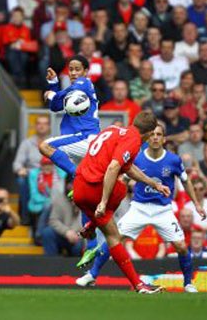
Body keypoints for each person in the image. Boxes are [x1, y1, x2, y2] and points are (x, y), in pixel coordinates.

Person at [76, 124, 206, 293]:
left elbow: (186, 180)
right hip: (139, 207)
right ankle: (92, 274)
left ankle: (188, 283)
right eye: (152, 134)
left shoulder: (173, 160)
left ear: (164, 139)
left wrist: (196, 204)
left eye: (159, 134)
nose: (155, 137)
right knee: (114, 239)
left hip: (163, 209)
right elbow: (121, 175)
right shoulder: (136, 157)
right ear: (148, 137)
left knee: (181, 246)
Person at [72, 112, 169, 293]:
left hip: (79, 188)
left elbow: (127, 167)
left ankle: (92, 225)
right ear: (148, 133)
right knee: (114, 234)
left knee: (110, 225)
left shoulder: (114, 130)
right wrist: (103, 201)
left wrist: (153, 183)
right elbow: (114, 167)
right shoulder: (133, 141)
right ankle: (139, 285)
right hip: (95, 189)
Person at [40, 55, 100, 180]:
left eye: (77, 69)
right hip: (80, 140)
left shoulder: (84, 83)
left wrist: (51, 94)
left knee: (45, 146)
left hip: (84, 137)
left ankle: (77, 175)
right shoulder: (73, 90)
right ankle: (80, 179)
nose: (73, 73)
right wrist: (54, 84)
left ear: (85, 71)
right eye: (70, 69)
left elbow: (58, 96)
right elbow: (55, 107)